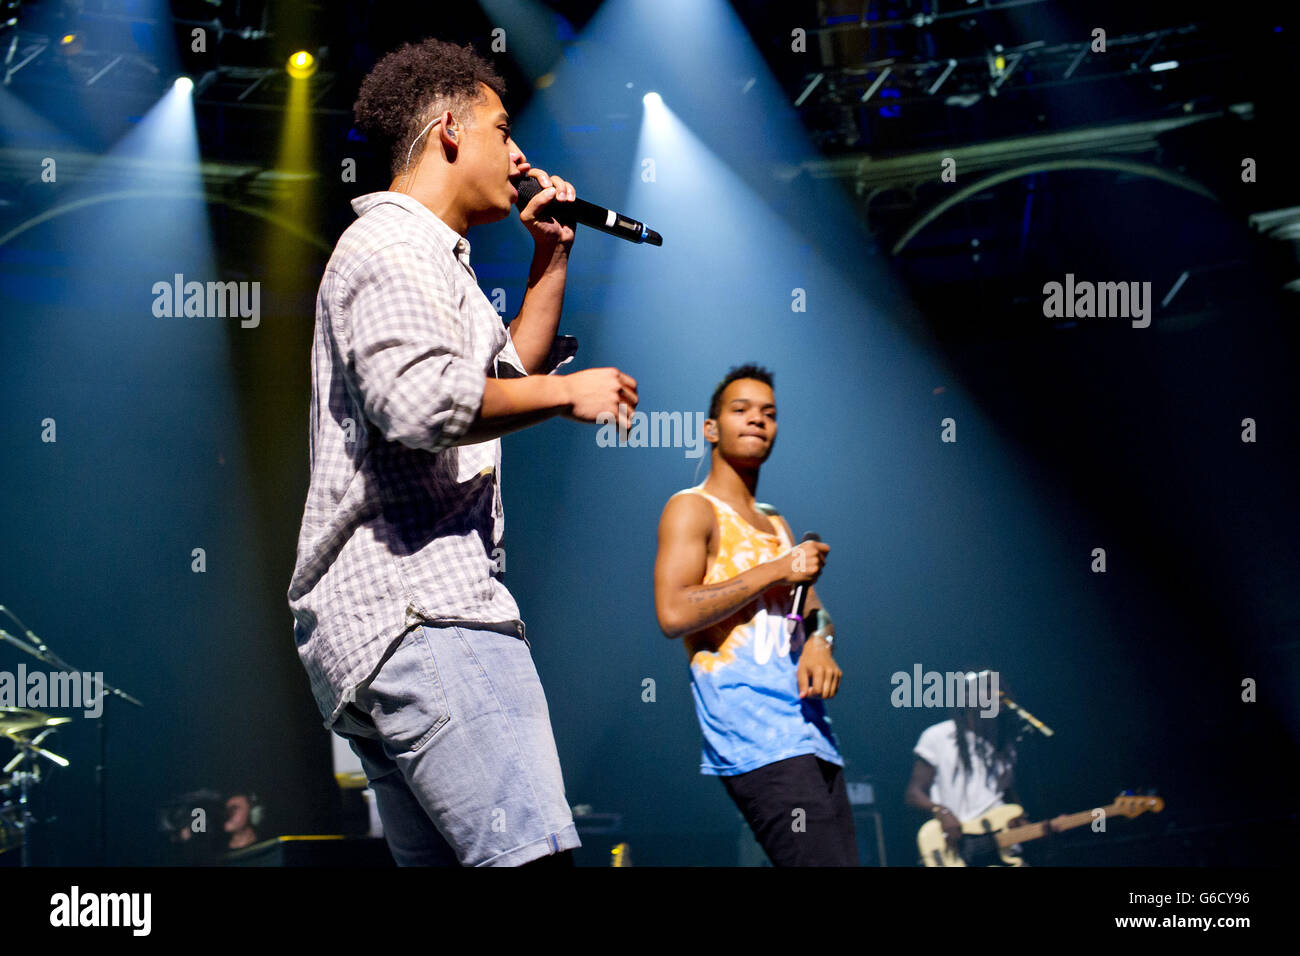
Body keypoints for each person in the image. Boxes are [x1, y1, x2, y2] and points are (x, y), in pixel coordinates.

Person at [288, 38, 638, 867]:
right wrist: (567, 391)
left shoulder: (435, 262)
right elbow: (422, 404)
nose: (520, 154)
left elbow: (499, 380)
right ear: (449, 129)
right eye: (503, 128)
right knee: (533, 860)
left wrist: (551, 258)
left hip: (394, 624)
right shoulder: (391, 249)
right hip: (424, 609)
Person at [653, 364, 857, 866]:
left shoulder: (776, 522)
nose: (757, 421)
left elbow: (812, 610)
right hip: (753, 732)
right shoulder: (691, 508)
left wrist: (819, 642)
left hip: (810, 729)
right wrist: (775, 570)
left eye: (768, 413)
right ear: (711, 428)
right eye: (740, 410)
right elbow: (674, 611)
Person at [904, 670, 1022, 853]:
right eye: (989, 688)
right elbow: (914, 793)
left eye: (1001, 688)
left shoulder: (1004, 744)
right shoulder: (938, 736)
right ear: (966, 697)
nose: (999, 693)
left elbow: (1005, 794)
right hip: (960, 844)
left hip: (1003, 845)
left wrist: (1024, 822)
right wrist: (941, 812)